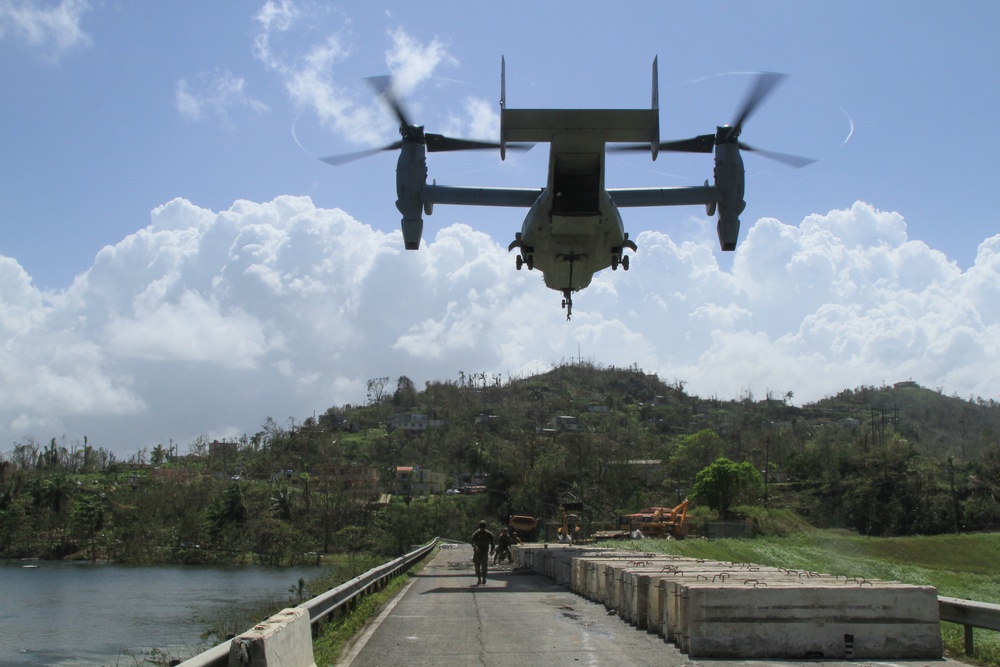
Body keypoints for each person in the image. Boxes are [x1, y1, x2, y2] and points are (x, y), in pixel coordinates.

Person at [470, 519, 495, 585]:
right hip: (477, 552)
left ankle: (484, 578)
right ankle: (479, 578)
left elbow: (492, 542)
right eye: (481, 528)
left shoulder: (488, 533)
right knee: (477, 566)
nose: (482, 529)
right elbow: (472, 541)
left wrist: (492, 550)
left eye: (483, 528)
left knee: (484, 566)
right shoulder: (476, 533)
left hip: (484, 552)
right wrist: (475, 547)